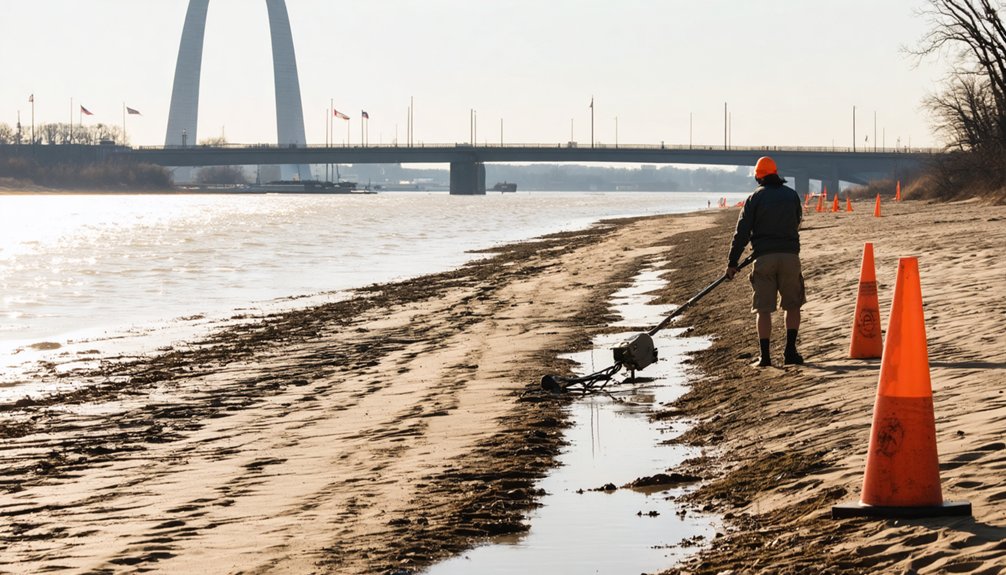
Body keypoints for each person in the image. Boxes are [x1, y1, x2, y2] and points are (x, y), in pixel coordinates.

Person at [725, 156, 806, 367]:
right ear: (776, 173)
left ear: (758, 177)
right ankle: (790, 352)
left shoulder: (754, 198)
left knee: (763, 309)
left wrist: (732, 262)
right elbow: (797, 221)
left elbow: (741, 233)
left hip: (763, 258)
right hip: (790, 257)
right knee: (793, 304)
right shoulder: (791, 195)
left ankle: (766, 357)